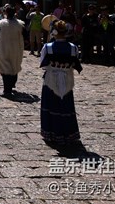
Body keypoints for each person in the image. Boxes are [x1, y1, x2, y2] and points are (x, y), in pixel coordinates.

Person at [39, 20, 83, 148]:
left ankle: (51, 133)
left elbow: (43, 65)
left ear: (54, 32)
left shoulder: (48, 47)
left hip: (51, 80)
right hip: (67, 80)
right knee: (66, 107)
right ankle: (68, 134)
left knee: (51, 106)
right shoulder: (73, 48)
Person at [0, 5, 25, 97]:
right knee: (14, 64)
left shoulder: (1, 23)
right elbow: (25, 35)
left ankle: (7, 90)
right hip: (16, 48)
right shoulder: (20, 24)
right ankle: (11, 84)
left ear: (6, 13)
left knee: (5, 67)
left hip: (3, 47)